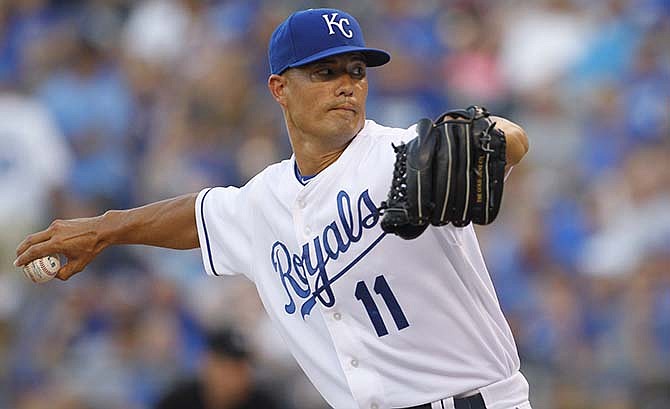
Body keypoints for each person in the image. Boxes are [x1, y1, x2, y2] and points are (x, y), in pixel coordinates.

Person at [15, 8, 530, 409]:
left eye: (356, 70)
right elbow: (199, 216)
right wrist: (104, 230)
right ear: (279, 88)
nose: (347, 83)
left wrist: (500, 136)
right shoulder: (266, 199)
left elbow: (507, 141)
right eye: (324, 72)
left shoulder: (401, 155)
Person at [155, 327, 279, 409]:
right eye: (227, 367)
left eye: (240, 368)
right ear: (208, 364)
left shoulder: (263, 403)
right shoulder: (178, 402)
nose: (233, 377)